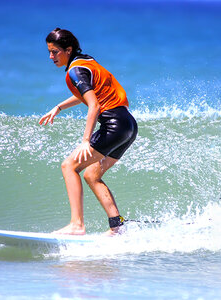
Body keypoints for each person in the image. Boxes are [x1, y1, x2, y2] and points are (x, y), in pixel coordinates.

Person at [39, 28, 138, 235]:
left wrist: (86, 140)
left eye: (55, 52)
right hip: (128, 125)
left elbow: (94, 106)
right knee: (92, 175)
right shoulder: (87, 61)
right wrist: (58, 107)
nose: (51, 57)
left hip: (113, 124)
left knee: (69, 166)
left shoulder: (75, 71)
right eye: (49, 52)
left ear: (68, 49)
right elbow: (89, 94)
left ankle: (77, 224)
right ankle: (117, 226)